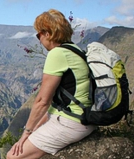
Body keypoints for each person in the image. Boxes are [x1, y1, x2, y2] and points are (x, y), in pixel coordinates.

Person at [6, 9, 96, 159]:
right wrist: (33, 129)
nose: (39, 40)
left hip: (72, 122)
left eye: (38, 35)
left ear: (47, 34)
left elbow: (42, 101)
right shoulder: (74, 49)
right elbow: (54, 105)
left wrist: (24, 135)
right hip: (82, 117)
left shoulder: (57, 54)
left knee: (12, 156)